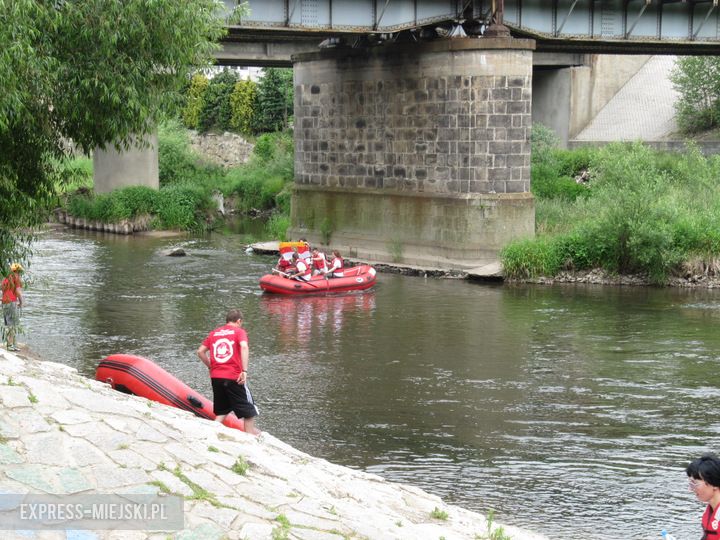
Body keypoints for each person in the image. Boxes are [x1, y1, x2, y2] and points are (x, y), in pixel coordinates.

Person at [196, 309, 260, 435]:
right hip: (233, 376)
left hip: (216, 377)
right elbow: (244, 346)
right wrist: (244, 371)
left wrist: (210, 367)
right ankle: (250, 441)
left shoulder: (214, 333)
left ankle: (210, 433)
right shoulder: (239, 331)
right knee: (249, 411)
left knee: (222, 410)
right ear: (239, 321)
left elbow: (200, 352)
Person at [686, 453, 720, 539]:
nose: (690, 489)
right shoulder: (711, 510)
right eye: (690, 484)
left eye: (694, 484)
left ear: (714, 484)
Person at [2, 263, 24, 352]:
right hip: (12, 302)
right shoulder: (16, 277)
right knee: (13, 324)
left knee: (8, 323)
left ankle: (11, 344)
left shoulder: (6, 278)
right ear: (18, 271)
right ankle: (11, 345)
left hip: (4, 302)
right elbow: (18, 291)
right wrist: (21, 302)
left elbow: (2, 289)